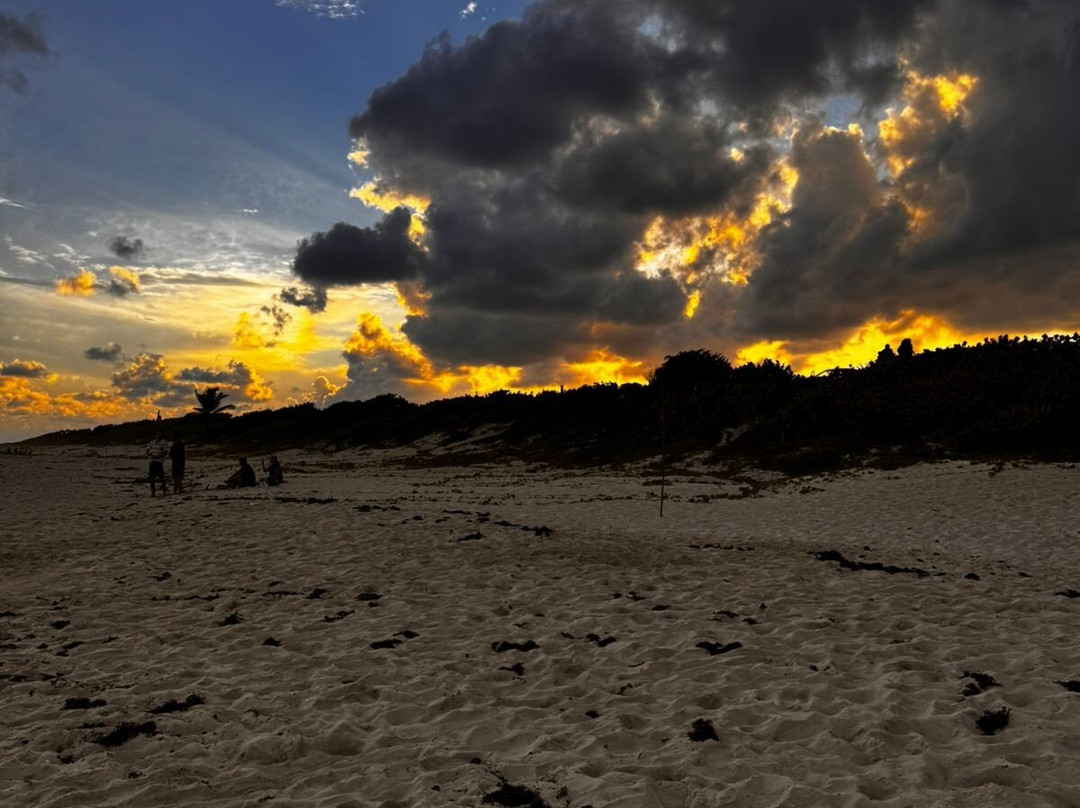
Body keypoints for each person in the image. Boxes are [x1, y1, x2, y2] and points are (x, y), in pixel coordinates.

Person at [146, 432, 170, 497]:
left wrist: (157, 456)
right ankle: (153, 493)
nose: (158, 435)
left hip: (159, 462)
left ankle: (164, 492)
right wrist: (150, 455)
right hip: (152, 461)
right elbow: (147, 450)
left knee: (162, 478)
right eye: (157, 434)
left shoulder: (164, 442)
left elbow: (165, 452)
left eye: (160, 434)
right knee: (151, 478)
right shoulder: (152, 442)